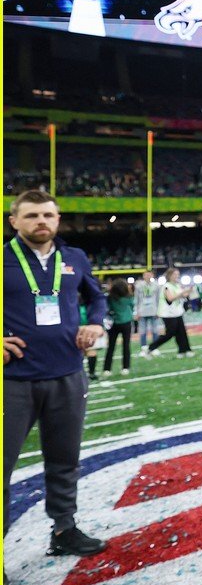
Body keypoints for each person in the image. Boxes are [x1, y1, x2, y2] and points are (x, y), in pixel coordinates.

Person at [3, 190, 109, 557]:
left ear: (58, 219)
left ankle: (64, 529)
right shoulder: (4, 259)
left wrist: (95, 324)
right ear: (14, 220)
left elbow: (97, 297)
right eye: (31, 215)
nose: (41, 222)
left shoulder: (74, 258)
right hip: (12, 380)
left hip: (67, 372)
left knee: (64, 459)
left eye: (48, 215)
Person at [142, 269, 194, 356]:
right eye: (175, 274)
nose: (177, 276)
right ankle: (151, 347)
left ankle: (184, 350)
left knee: (181, 332)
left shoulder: (177, 285)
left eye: (178, 274)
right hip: (168, 314)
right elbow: (170, 298)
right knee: (170, 333)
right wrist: (183, 292)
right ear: (170, 276)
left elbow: (183, 295)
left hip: (177, 312)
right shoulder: (166, 286)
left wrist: (189, 290)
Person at [102, 278, 134, 377]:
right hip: (126, 322)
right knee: (126, 346)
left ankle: (107, 369)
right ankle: (125, 367)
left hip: (114, 323)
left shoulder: (110, 298)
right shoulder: (129, 297)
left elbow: (107, 309)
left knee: (111, 347)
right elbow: (132, 306)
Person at [133, 270, 160, 347]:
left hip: (154, 310)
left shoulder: (156, 285)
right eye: (146, 275)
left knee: (155, 330)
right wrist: (136, 312)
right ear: (143, 276)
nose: (148, 276)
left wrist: (159, 311)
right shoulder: (139, 286)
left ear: (152, 275)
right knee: (142, 330)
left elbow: (158, 299)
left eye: (149, 274)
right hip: (142, 311)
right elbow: (136, 300)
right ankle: (144, 347)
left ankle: (155, 347)